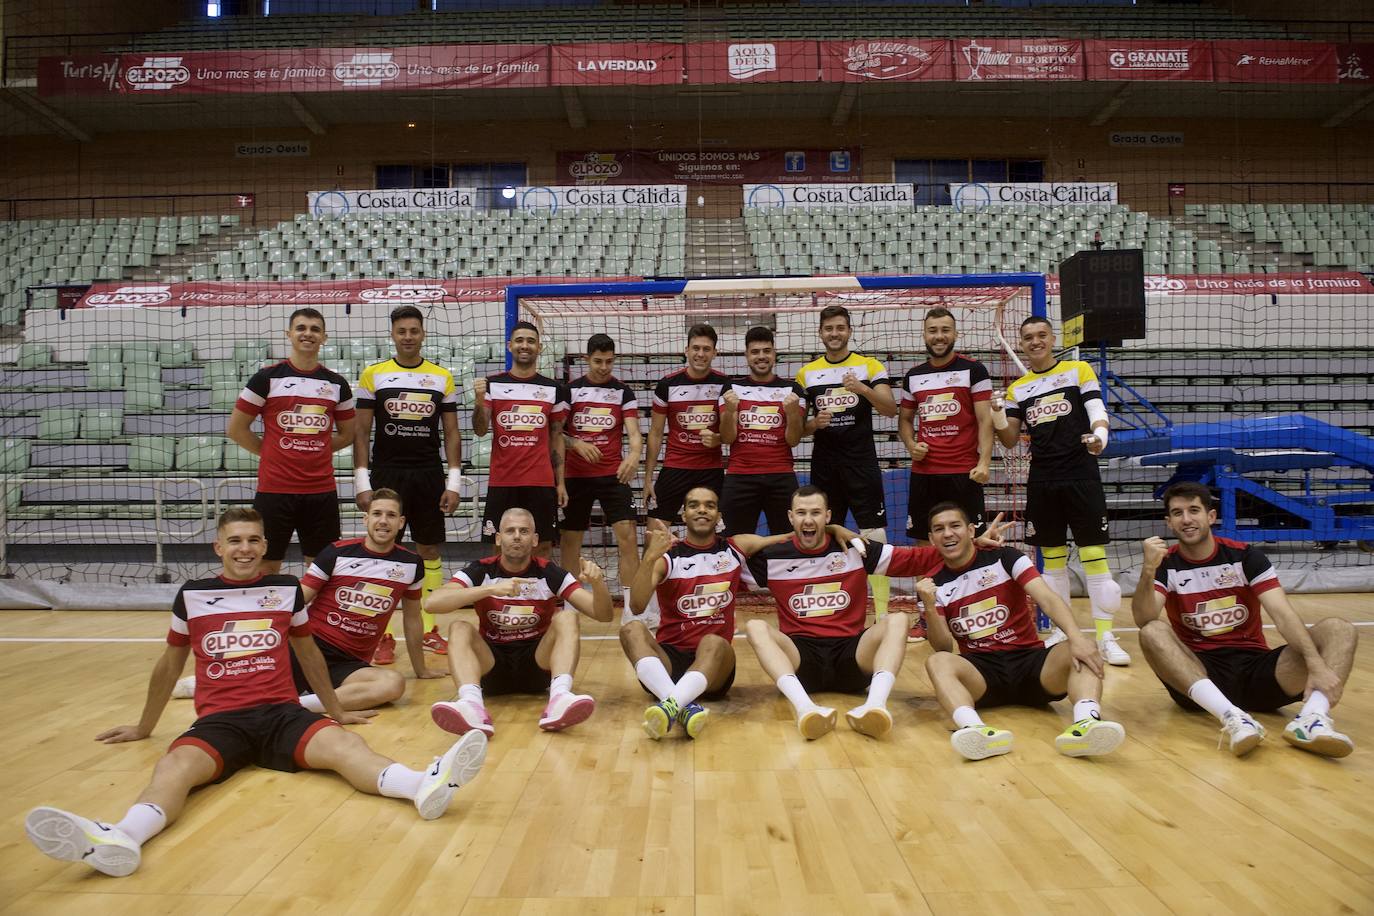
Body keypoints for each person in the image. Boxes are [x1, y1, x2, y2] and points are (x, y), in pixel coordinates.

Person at [23, 508, 486, 878]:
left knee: (348, 747)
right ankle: (121, 837)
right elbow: (168, 664)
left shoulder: (285, 590)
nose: (245, 549)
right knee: (176, 766)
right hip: (222, 720)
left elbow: (307, 656)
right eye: (236, 541)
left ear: (265, 546)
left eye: (254, 541)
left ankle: (421, 784)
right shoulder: (193, 595)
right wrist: (145, 725)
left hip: (283, 713)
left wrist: (335, 712)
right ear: (219, 547)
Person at [743, 486, 1001, 740]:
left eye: (816, 513)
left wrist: (971, 542)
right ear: (791, 517)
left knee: (898, 619)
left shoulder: (857, 549)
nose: (808, 520)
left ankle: (874, 705)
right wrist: (779, 538)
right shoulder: (772, 558)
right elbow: (728, 551)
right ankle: (805, 708)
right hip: (801, 659)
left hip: (851, 656)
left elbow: (918, 559)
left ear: (828, 516)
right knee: (756, 626)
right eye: (801, 513)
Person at [1131, 481, 1357, 757]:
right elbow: (1144, 617)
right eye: (1178, 513)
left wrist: (1315, 665)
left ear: (1211, 516)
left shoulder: (1245, 556)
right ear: (1169, 522)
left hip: (1256, 669)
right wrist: (1147, 570)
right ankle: (1232, 717)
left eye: (1194, 510)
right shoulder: (1166, 564)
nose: (1187, 519)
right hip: (1199, 674)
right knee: (1151, 631)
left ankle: (1312, 719)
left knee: (1340, 629)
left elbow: (1283, 615)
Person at [171, 490, 445, 709]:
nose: (383, 521)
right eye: (376, 514)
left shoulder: (410, 564)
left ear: (401, 522)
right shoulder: (337, 553)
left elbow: (411, 618)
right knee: (250, 681)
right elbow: (298, 600)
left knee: (392, 685)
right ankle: (211, 684)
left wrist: (420, 669)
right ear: (366, 519)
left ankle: (297, 705)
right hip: (308, 648)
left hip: (350, 663)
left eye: (390, 515)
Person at [915, 502, 1124, 761]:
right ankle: (975, 730)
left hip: (1030, 663)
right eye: (939, 529)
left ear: (970, 530)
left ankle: (1086, 724)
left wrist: (1076, 637)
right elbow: (944, 647)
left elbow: (1047, 598)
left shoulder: (1006, 557)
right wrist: (929, 606)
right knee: (936, 661)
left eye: (954, 525)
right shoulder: (931, 584)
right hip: (982, 672)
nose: (947, 533)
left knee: (1081, 645)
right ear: (932, 539)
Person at [989, 316, 1130, 666]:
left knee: (1093, 556)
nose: (1035, 342)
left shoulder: (1078, 370)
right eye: (1028, 338)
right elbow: (1008, 440)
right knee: (1051, 560)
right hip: (1042, 480)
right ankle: (1064, 631)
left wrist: (1101, 437)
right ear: (1021, 344)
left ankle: (1105, 636)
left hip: (1081, 475)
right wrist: (995, 414)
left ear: (1053, 339)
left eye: (1041, 335)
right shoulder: (1017, 390)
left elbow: (1098, 411)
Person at [621, 486, 797, 740]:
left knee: (713, 641)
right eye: (693, 505)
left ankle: (670, 703)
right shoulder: (668, 557)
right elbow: (636, 607)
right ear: (684, 516)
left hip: (715, 665)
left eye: (709, 505)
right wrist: (649, 557)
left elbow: (792, 537)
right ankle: (681, 705)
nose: (701, 509)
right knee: (631, 629)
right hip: (670, 660)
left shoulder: (736, 547)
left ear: (718, 516)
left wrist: (834, 528)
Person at [427, 508, 613, 736]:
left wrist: (598, 584)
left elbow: (603, 615)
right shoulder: (481, 570)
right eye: (510, 531)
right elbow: (432, 603)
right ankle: (471, 706)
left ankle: (560, 698)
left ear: (534, 540)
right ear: (498, 538)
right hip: (491, 666)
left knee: (567, 617)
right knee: (459, 627)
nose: (516, 536)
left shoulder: (550, 572)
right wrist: (490, 589)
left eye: (524, 531)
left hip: (537, 664)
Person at [353, 304, 462, 662]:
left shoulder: (442, 377)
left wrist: (455, 481)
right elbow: (361, 431)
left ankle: (431, 630)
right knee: (383, 552)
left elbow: (451, 433)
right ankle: (380, 635)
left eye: (414, 331)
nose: (408, 337)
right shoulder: (373, 375)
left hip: (429, 474)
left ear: (423, 334)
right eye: (402, 331)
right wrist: (361, 481)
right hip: (387, 474)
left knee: (429, 550)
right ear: (393, 334)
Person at [227, 307, 355, 575]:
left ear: (324, 337)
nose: (308, 334)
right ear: (289, 334)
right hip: (274, 491)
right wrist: (272, 453)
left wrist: (317, 449)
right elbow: (237, 429)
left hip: (321, 492)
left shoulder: (336, 383)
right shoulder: (266, 378)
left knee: (321, 569)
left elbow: (348, 434)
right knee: (267, 565)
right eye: (301, 328)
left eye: (315, 329)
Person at [897, 307, 994, 642]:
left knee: (973, 543)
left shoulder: (974, 370)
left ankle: (974, 611)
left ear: (955, 334)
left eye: (945, 330)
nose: (939, 336)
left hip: (962, 473)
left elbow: (985, 420)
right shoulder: (914, 375)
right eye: (933, 330)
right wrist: (911, 445)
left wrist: (984, 461)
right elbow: (905, 422)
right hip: (925, 474)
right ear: (925, 335)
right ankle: (928, 616)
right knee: (926, 548)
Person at [795, 305, 899, 620]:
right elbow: (797, 431)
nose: (835, 333)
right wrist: (814, 424)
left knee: (875, 536)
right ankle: (829, 612)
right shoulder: (806, 373)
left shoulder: (869, 365)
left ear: (849, 331)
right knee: (824, 535)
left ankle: (881, 615)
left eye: (841, 328)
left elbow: (891, 409)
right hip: (825, 467)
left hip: (861, 464)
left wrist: (862, 389)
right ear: (821, 332)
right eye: (829, 328)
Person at [559, 333, 643, 624]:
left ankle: (632, 610)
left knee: (629, 537)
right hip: (575, 476)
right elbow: (554, 432)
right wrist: (576, 444)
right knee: (571, 541)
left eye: (609, 361)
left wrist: (633, 455)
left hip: (612, 475)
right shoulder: (570, 391)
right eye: (598, 361)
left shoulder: (623, 392)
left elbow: (634, 434)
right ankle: (571, 607)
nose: (604, 367)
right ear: (586, 359)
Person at [473, 320, 570, 559]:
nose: (524, 345)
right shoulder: (492, 384)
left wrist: (560, 483)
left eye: (530, 341)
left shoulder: (553, 388)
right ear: (509, 346)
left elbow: (556, 438)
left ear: (539, 348)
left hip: (541, 481)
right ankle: (501, 595)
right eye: (519, 340)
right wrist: (477, 399)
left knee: (544, 545)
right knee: (499, 545)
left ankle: (540, 596)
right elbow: (479, 430)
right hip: (503, 480)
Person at [719, 325, 806, 537]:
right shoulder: (731, 388)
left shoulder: (792, 390)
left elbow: (793, 440)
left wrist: (793, 414)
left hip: (781, 476)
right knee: (733, 544)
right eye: (755, 352)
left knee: (788, 542)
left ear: (774, 354)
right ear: (746, 355)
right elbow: (727, 438)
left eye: (766, 351)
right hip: (740, 476)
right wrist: (730, 411)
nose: (761, 356)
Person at [643, 323, 729, 535]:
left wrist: (718, 438)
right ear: (686, 350)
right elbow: (655, 433)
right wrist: (647, 478)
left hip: (711, 469)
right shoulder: (668, 384)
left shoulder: (725, 384)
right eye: (696, 348)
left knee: (714, 536)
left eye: (706, 349)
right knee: (655, 536)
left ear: (715, 352)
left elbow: (731, 433)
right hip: (676, 466)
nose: (700, 354)